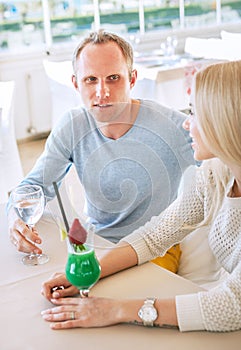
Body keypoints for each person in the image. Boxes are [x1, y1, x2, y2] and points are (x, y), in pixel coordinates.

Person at [41, 60, 241, 332]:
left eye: (194, 113)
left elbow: (232, 306)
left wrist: (116, 309)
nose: (186, 124)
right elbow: (157, 234)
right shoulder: (216, 173)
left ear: (224, 122)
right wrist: (91, 270)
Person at [7, 30, 195, 271]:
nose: (102, 92)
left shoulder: (171, 125)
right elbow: (32, 187)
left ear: (132, 79)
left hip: (156, 249)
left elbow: (226, 154)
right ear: (76, 83)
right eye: (91, 80)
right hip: (99, 245)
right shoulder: (73, 126)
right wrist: (15, 219)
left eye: (114, 78)